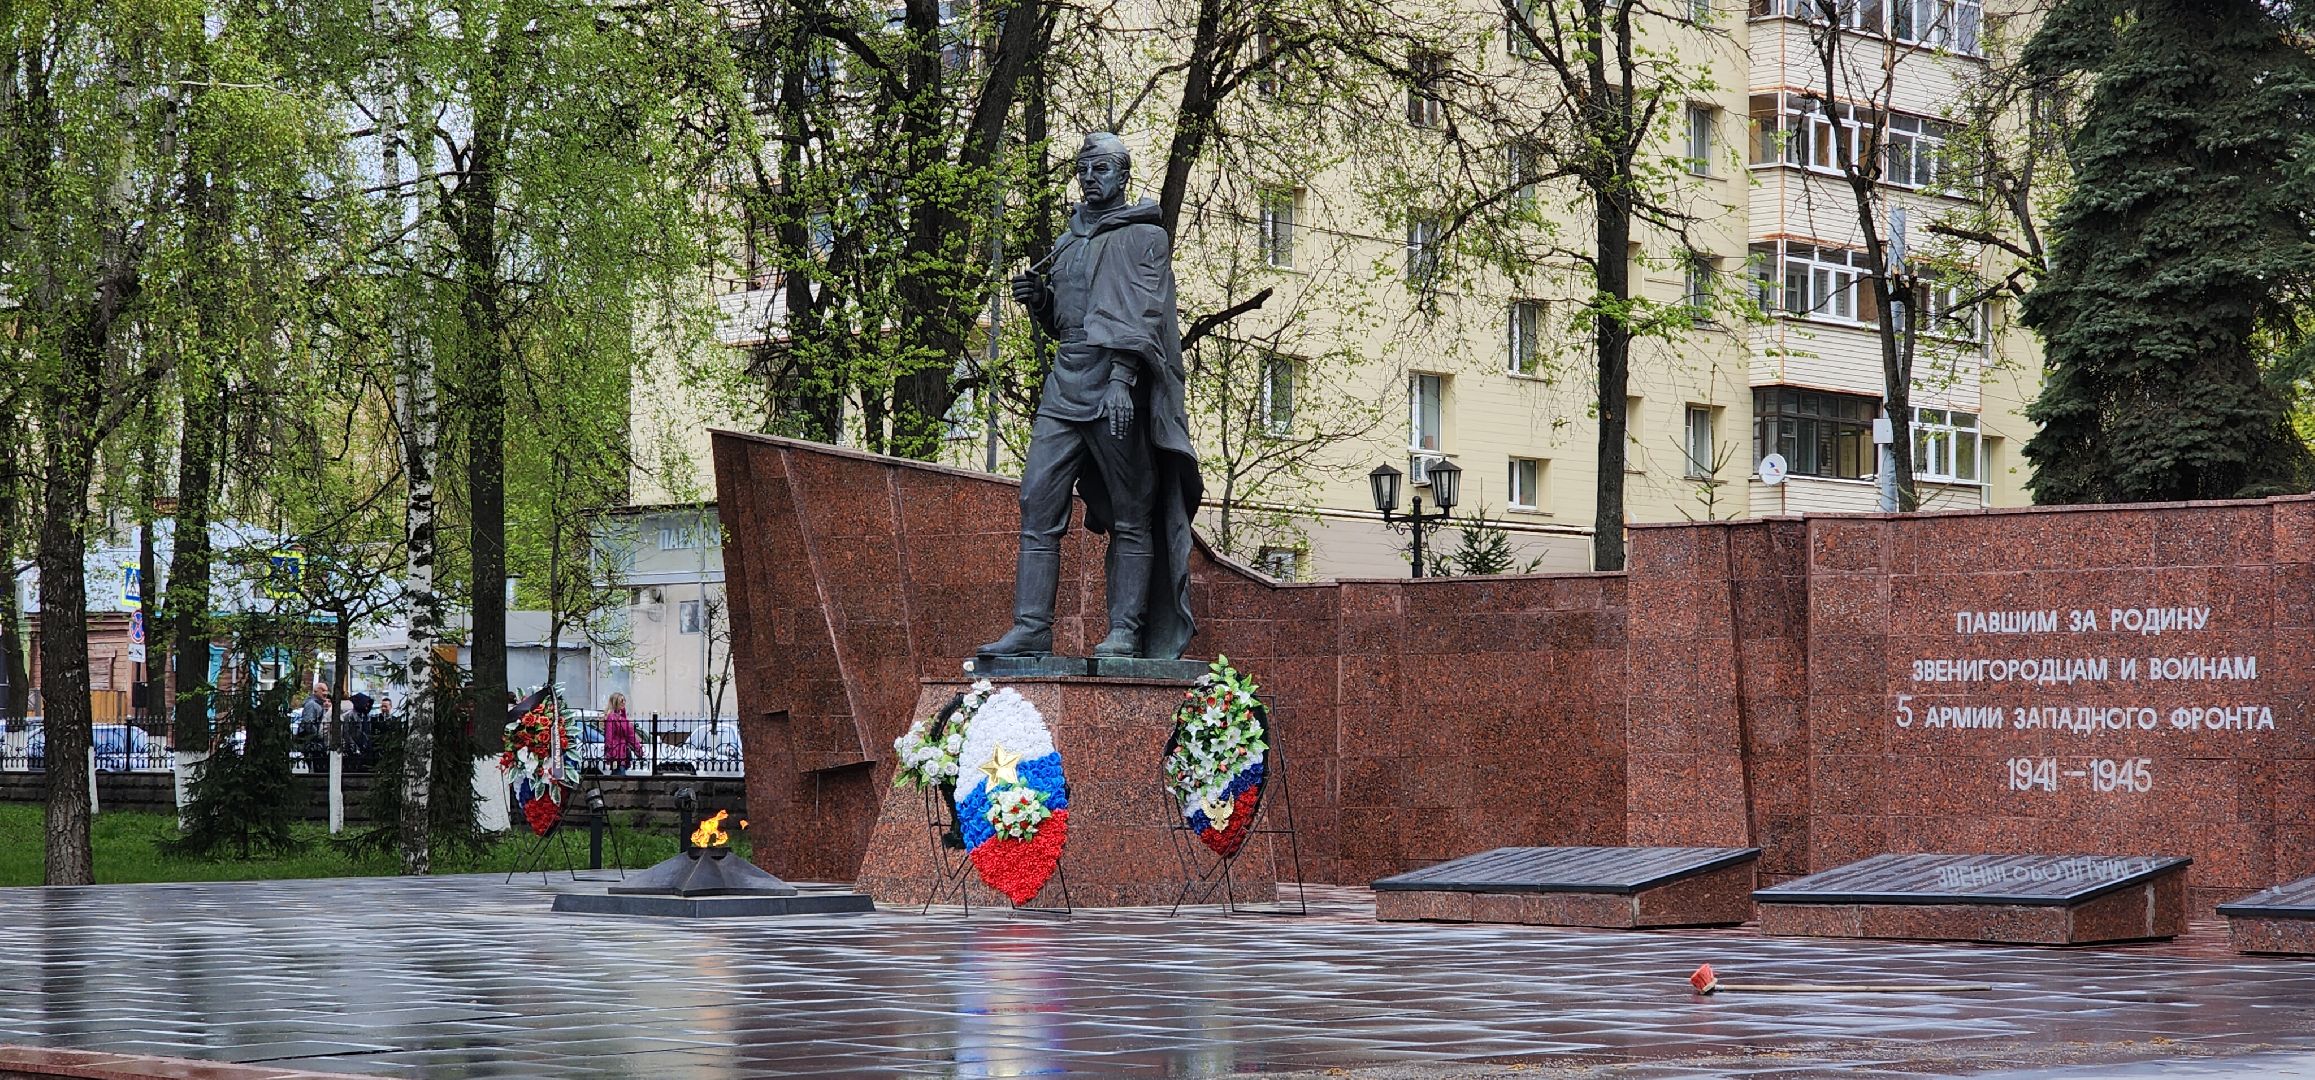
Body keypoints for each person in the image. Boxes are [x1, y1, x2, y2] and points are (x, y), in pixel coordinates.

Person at [975, 131, 1202, 661]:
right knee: (1037, 500)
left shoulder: (1145, 237)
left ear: (1123, 175)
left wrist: (1122, 380)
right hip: (1065, 383)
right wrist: (1041, 301)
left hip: (1115, 386)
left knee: (1132, 510)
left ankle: (1125, 631)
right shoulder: (1069, 240)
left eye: (1100, 169)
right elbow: (1069, 319)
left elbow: (1144, 313)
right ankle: (1031, 628)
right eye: (1082, 170)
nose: (1089, 179)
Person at [603, 692, 642, 774]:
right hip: (617, 753)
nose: (624, 702)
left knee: (618, 776)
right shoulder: (612, 717)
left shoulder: (621, 717)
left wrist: (638, 749)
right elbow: (609, 737)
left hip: (622, 752)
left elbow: (630, 736)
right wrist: (610, 753)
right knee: (619, 776)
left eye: (624, 700)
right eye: (621, 700)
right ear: (615, 702)